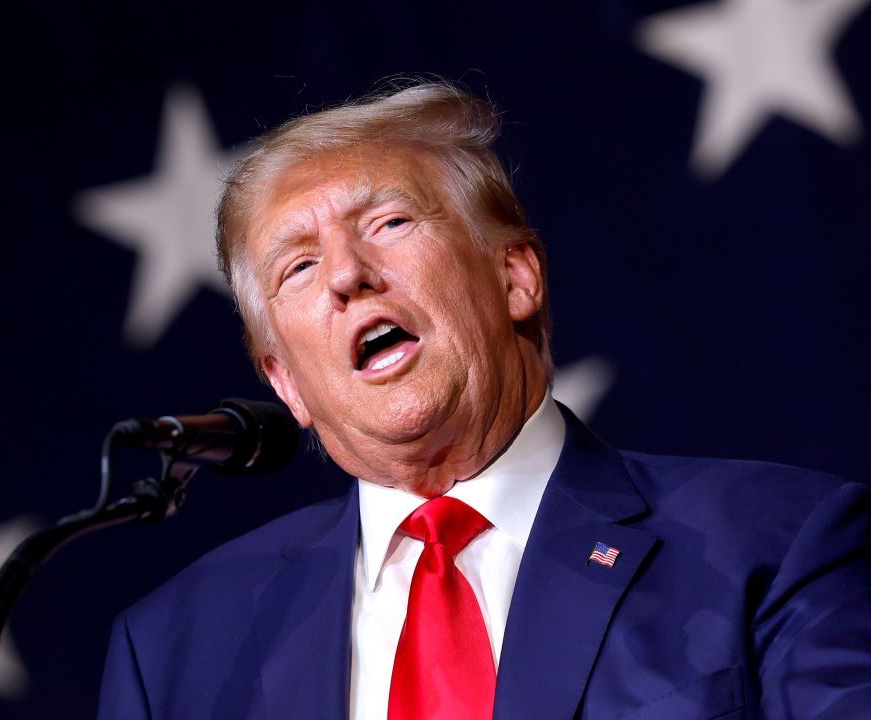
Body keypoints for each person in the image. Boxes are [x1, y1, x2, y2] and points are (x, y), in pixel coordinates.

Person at [96, 81, 871, 719]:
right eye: (297, 268)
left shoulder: (779, 545)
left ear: (515, 279)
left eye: (390, 222)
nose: (346, 275)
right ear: (286, 383)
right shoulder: (172, 654)